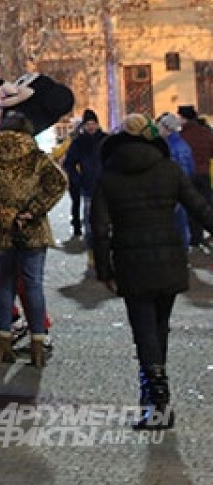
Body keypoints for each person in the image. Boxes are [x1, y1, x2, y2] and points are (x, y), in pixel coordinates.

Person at [91, 113, 213, 430]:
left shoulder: (108, 176)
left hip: (131, 264)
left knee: (144, 329)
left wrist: (104, 269)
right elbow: (200, 208)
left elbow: (99, 229)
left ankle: (156, 401)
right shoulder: (168, 170)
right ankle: (156, 392)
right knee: (159, 326)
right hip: (169, 258)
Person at [0, 112, 67, 368]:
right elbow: (58, 183)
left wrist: (6, 216)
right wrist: (31, 212)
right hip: (32, 230)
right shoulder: (36, 157)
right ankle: (37, 343)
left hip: (1, 233)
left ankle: (4, 343)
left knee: (5, 285)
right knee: (33, 285)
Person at [62, 108, 107, 268]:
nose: (91, 127)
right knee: (89, 221)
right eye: (88, 124)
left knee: (106, 221)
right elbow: (69, 163)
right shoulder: (79, 142)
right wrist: (77, 179)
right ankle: (92, 252)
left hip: (106, 186)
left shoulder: (105, 139)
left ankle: (105, 251)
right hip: (88, 186)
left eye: (93, 123)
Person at [176, 105, 213, 248]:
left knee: (191, 207)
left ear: (184, 118)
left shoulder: (182, 136)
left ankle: (195, 237)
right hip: (204, 173)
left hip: (188, 175)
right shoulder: (206, 133)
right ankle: (207, 233)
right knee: (205, 205)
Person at [157, 113, 196, 248]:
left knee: (171, 224)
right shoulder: (183, 145)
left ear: (167, 128)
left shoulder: (167, 148)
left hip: (170, 190)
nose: (158, 129)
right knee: (181, 222)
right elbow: (191, 168)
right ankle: (183, 251)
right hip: (182, 189)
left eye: (160, 126)